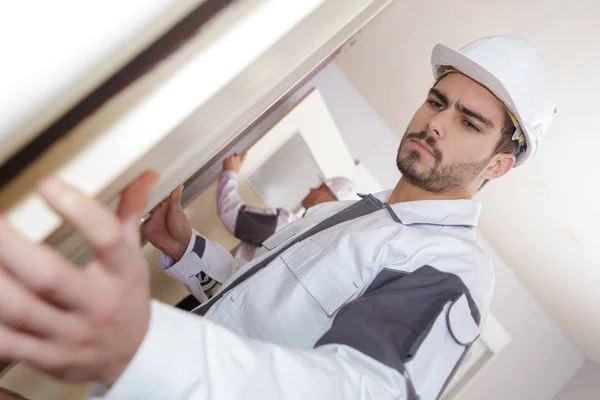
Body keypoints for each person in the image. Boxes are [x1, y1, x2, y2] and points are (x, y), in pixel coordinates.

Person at [0, 35, 557, 400]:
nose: (436, 123)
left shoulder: (452, 266)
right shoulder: (350, 211)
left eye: (470, 122)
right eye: (437, 102)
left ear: (500, 165)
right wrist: (186, 250)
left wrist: (142, 344)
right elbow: (262, 311)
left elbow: (354, 392)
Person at [171, 152, 359, 309]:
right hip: (225, 297)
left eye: (321, 188)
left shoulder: (285, 225)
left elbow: (232, 215)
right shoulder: (304, 237)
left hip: (215, 291)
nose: (312, 189)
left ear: (331, 199)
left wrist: (229, 171)